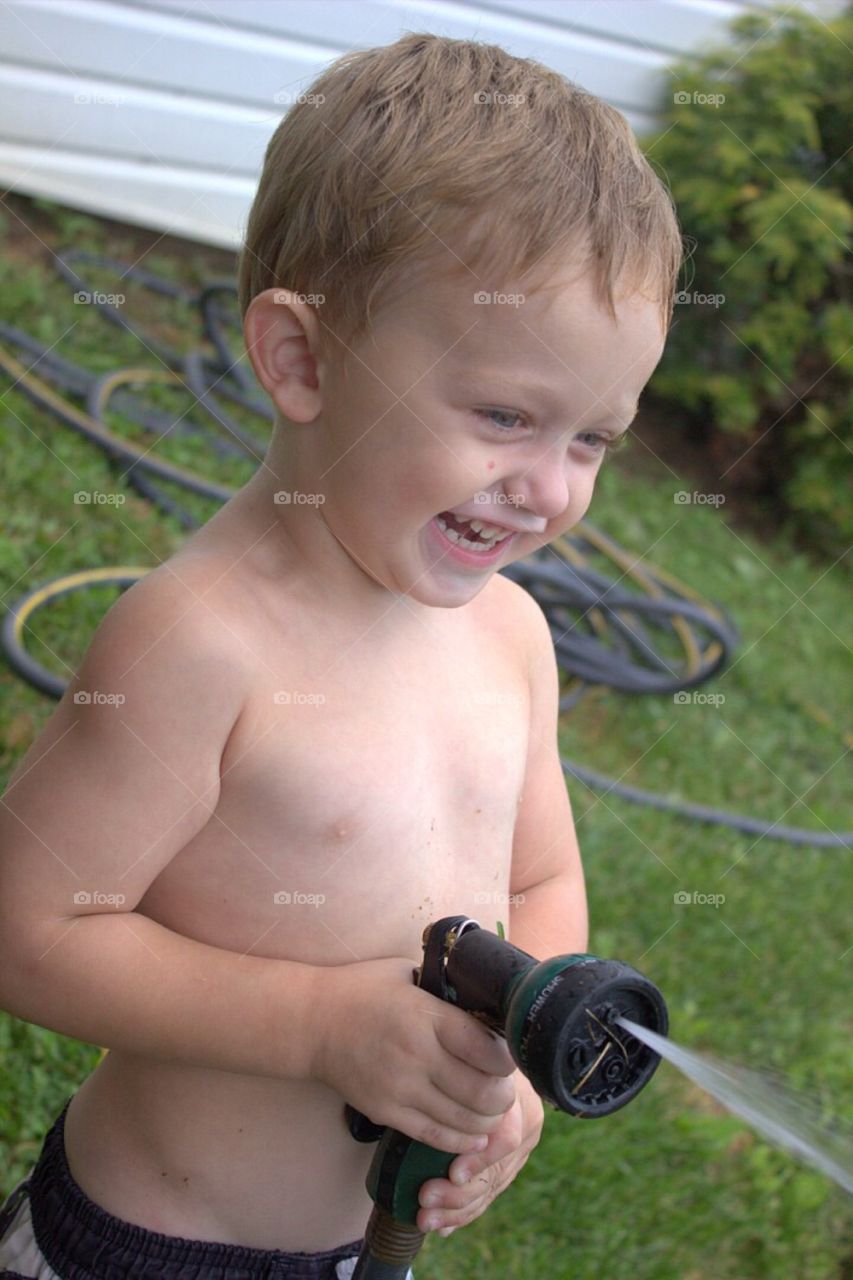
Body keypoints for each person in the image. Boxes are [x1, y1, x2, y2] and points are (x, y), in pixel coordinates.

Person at [0, 30, 681, 1280]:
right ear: (303, 358)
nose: (548, 489)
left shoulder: (513, 636)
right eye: (502, 415)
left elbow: (541, 888)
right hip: (150, 1246)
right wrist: (320, 1024)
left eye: (593, 437)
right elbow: (27, 926)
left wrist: (520, 1062)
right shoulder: (198, 642)